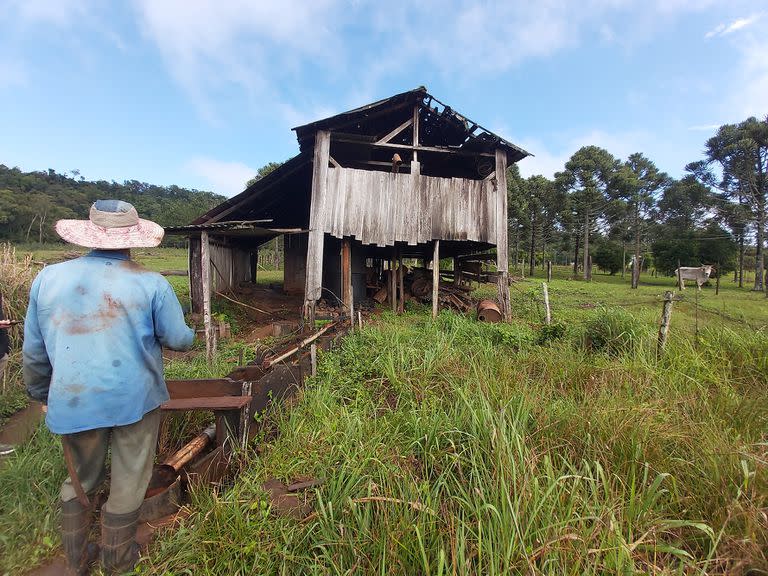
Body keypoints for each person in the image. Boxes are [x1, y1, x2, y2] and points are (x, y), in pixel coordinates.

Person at [23, 200, 194, 575]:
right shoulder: (152, 283)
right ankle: (118, 560)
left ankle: (78, 559)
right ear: (132, 239)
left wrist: (41, 394)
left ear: (91, 234)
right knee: (130, 476)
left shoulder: (47, 279)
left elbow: (34, 352)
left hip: (74, 398)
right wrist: (188, 332)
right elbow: (179, 340)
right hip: (136, 398)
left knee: (80, 479)